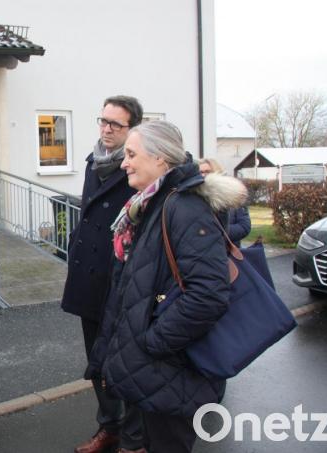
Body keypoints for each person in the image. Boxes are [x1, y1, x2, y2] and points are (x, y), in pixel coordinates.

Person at [87, 121, 247, 452]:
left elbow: (209, 295)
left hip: (171, 369)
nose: (124, 162)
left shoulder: (183, 206)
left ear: (160, 159)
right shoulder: (151, 204)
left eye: (131, 154)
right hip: (155, 371)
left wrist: (152, 342)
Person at [61, 95, 146, 453]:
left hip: (120, 281)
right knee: (96, 361)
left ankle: (135, 437)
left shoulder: (139, 168)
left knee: (128, 362)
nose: (107, 129)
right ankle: (109, 426)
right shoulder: (92, 162)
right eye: (103, 121)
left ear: (133, 130)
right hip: (88, 280)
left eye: (116, 124)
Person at [199, 158, 251, 247]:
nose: (203, 175)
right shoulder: (194, 196)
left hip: (228, 252)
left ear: (216, 172)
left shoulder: (232, 194)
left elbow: (244, 227)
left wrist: (218, 232)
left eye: (207, 172)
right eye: (201, 172)